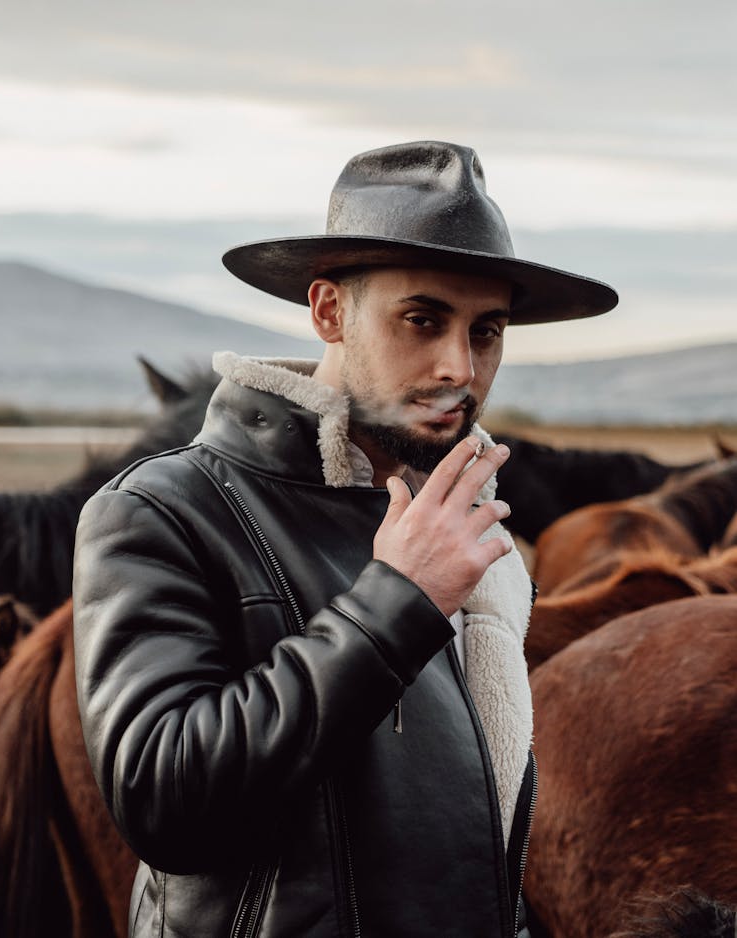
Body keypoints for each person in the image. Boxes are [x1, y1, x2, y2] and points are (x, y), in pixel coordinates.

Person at [72, 140, 617, 938]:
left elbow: (486, 828)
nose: (458, 366)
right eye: (422, 320)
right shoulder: (163, 509)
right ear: (329, 311)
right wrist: (395, 604)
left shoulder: (470, 532)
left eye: (487, 331)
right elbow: (165, 803)